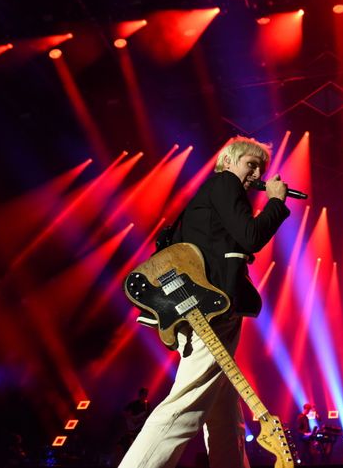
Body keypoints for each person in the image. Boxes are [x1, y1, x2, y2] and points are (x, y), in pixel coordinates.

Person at [119, 136, 291, 468]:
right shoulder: (225, 183)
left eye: (261, 168)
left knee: (224, 413)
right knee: (184, 405)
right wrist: (275, 203)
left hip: (205, 308)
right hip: (209, 311)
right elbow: (250, 236)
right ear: (228, 162)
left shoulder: (214, 196)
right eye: (250, 164)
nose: (256, 174)